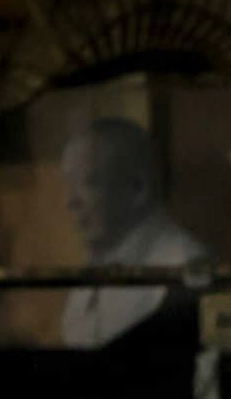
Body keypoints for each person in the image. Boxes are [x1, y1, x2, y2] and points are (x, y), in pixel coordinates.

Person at [59, 118, 208, 348]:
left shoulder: (185, 268)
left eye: (89, 182)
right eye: (69, 183)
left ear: (138, 188)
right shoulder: (97, 264)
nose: (70, 201)